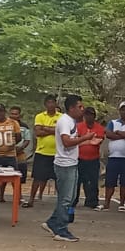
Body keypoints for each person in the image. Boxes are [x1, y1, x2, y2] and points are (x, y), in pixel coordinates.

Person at [41, 94, 94, 242]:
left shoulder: (71, 121)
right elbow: (66, 142)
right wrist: (85, 138)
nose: (82, 109)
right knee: (66, 199)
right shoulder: (65, 121)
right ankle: (61, 229)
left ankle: (53, 222)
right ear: (71, 108)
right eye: (79, 106)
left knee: (70, 197)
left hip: (71, 162)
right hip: (64, 165)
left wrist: (85, 141)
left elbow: (71, 142)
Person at [25, 95, 62, 208]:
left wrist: (46, 128)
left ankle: (61, 202)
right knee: (38, 177)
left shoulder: (62, 117)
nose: (51, 105)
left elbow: (61, 131)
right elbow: (38, 132)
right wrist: (53, 130)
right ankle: (31, 199)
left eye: (53, 102)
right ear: (45, 104)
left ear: (56, 104)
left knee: (58, 179)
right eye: (48, 103)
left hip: (57, 153)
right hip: (42, 152)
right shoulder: (40, 116)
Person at [74, 106, 105, 209]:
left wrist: (82, 140)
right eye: (87, 114)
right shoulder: (78, 126)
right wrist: (88, 140)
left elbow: (97, 142)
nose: (89, 116)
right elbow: (75, 142)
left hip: (93, 159)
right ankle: (73, 200)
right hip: (79, 158)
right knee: (76, 181)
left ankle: (92, 201)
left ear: (94, 116)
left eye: (91, 114)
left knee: (92, 181)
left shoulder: (99, 128)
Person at [9, 106, 32, 182]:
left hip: (20, 152)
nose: (13, 116)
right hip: (6, 152)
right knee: (4, 175)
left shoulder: (24, 126)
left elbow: (27, 140)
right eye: (12, 114)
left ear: (19, 115)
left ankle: (19, 189)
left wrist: (21, 148)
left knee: (20, 174)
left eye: (15, 114)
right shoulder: (4, 124)